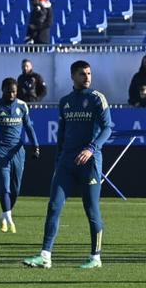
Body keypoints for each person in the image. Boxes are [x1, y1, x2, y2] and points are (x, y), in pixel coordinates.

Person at [23, 60, 113, 270]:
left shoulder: (97, 98)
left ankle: (96, 257)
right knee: (54, 206)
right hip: (66, 163)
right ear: (73, 76)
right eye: (82, 74)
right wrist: (58, 160)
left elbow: (107, 128)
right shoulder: (65, 102)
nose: (87, 77)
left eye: (89, 73)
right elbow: (62, 135)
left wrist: (91, 148)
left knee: (91, 210)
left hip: (90, 162)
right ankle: (45, 255)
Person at [0, 77, 40, 233]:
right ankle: (10, 220)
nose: (11, 94)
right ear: (2, 90)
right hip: (1, 151)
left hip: (18, 152)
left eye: (14, 91)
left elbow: (29, 127)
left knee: (16, 190)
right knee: (4, 188)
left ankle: (3, 217)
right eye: (8, 91)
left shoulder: (22, 106)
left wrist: (35, 146)